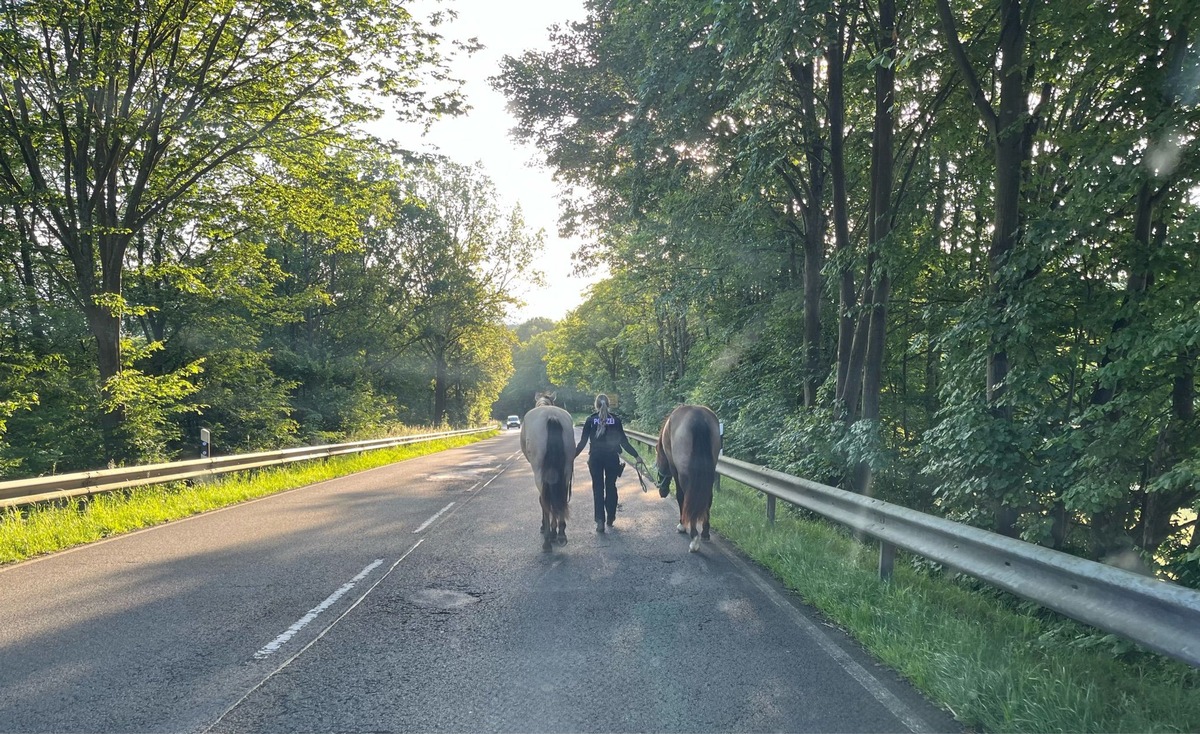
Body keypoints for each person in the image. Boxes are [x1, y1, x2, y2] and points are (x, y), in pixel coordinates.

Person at [575, 394, 645, 533]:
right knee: (611, 487)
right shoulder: (616, 420)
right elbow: (624, 442)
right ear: (608, 404)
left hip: (595, 459)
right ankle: (611, 517)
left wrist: (572, 456)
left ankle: (600, 520)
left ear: (596, 405)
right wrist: (636, 456)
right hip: (612, 459)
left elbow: (582, 442)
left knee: (598, 489)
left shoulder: (590, 420)